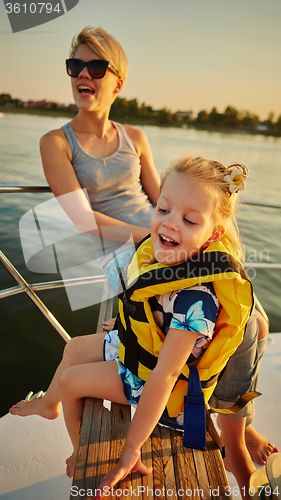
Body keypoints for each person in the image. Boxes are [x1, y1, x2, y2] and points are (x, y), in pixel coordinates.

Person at [9, 154, 268, 498]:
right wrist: (127, 324)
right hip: (140, 349)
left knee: (71, 382)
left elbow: (163, 376)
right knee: (73, 348)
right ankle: (49, 404)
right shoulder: (168, 258)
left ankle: (82, 453)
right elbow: (152, 306)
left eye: (190, 220)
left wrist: (132, 449)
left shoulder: (196, 301)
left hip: (161, 388)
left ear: (213, 235)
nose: (170, 224)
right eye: (163, 210)